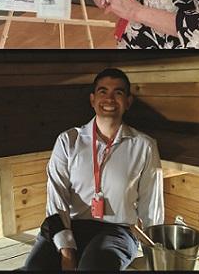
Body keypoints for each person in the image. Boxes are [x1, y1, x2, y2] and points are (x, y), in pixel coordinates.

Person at [22, 69, 163, 271]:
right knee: (36, 268)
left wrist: (155, 255)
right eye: (103, 91)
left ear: (128, 101)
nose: (110, 99)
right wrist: (66, 251)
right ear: (92, 99)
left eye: (118, 93)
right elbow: (56, 199)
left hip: (118, 230)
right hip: (70, 223)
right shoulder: (68, 141)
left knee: (94, 267)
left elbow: (152, 205)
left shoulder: (144, 146)